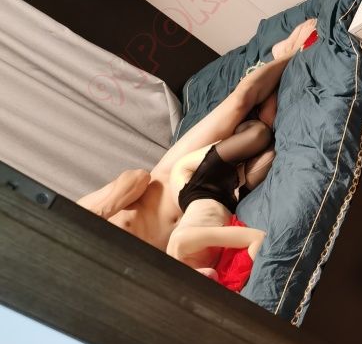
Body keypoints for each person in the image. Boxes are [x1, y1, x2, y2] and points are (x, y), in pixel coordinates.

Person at [77, 18, 317, 251]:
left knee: (239, 103)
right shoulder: (106, 266)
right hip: (205, 204)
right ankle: (276, 67)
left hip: (172, 175)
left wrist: (102, 214)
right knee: (267, 136)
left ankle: (287, 54)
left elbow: (138, 178)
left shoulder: (81, 216)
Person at [165, 118, 273, 290]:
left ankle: (239, 132)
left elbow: (257, 237)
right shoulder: (213, 283)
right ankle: (237, 154)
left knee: (260, 133)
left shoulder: (182, 243)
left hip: (201, 188)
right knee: (272, 156)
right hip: (231, 203)